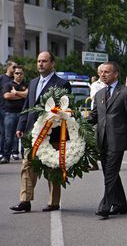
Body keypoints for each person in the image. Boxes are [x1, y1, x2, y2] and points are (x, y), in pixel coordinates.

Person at [9, 51, 71, 213]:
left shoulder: (62, 83)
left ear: (52, 63)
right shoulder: (33, 82)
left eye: (44, 61)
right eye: (38, 61)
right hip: (32, 132)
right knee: (27, 166)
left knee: (52, 167)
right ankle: (25, 200)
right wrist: (21, 127)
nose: (40, 64)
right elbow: (27, 107)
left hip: (52, 134)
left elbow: (63, 108)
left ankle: (53, 202)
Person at [88, 61, 127, 219]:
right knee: (110, 173)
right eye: (101, 72)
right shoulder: (99, 94)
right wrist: (75, 121)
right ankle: (120, 204)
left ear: (116, 74)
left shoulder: (125, 92)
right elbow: (94, 116)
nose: (102, 74)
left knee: (110, 173)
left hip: (117, 139)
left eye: (107, 72)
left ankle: (105, 206)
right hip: (102, 140)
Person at [0, 65, 28, 164]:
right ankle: (6, 156)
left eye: (20, 73)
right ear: (14, 74)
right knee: (8, 136)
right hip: (9, 113)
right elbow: (6, 96)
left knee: (24, 136)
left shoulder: (27, 84)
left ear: (23, 74)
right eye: (16, 73)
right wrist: (21, 94)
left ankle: (25, 156)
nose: (18, 75)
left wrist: (15, 93)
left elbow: (27, 95)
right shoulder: (8, 84)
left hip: (23, 114)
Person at [0, 61, 16, 158]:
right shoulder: (2, 78)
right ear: (8, 67)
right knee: (3, 132)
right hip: (2, 108)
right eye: (14, 67)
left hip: (12, 109)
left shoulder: (15, 79)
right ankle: (2, 152)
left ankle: (14, 152)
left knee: (13, 132)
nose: (15, 69)